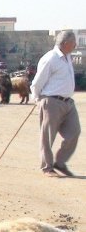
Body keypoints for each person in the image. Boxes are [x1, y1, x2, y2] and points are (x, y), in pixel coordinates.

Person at [30, 30, 80, 178]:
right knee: (48, 136)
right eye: (73, 42)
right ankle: (47, 167)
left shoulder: (68, 57)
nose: (75, 45)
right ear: (65, 44)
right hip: (51, 101)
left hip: (68, 102)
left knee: (74, 132)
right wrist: (37, 98)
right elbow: (38, 81)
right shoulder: (50, 58)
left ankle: (60, 162)